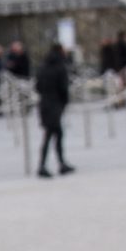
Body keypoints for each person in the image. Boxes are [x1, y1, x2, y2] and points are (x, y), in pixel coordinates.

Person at [35, 39, 75, 177]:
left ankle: (59, 163)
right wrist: (64, 102)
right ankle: (46, 165)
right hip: (55, 105)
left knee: (53, 134)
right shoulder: (60, 67)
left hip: (45, 104)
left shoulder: (43, 66)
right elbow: (63, 88)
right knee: (53, 135)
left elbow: (38, 87)